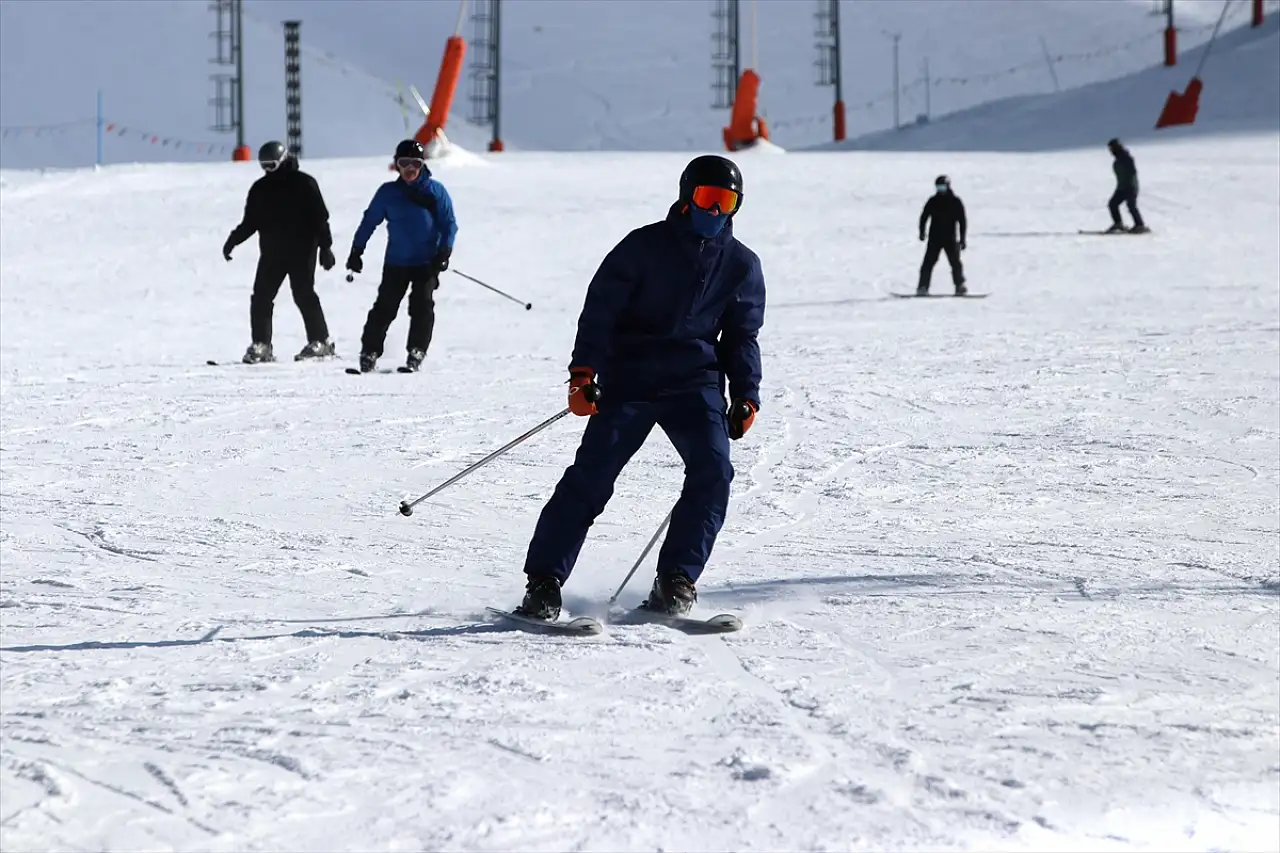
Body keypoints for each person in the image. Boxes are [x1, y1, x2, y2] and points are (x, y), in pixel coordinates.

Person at [513, 154, 766, 622]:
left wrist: (746, 393)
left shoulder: (741, 265)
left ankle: (676, 579)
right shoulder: (641, 247)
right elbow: (600, 314)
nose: (714, 212)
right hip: (630, 377)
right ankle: (544, 583)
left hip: (694, 383)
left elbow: (741, 336)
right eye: (706, 199)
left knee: (714, 472)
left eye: (726, 202)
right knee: (592, 477)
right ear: (686, 198)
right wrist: (583, 375)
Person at [346, 139, 458, 373]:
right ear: (396, 165)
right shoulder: (388, 193)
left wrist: (444, 251)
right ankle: (370, 352)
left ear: (422, 165)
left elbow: (449, 225)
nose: (409, 169)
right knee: (385, 307)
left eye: (414, 163)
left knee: (421, 306)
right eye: (403, 163)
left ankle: (416, 351)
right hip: (396, 262)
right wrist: (357, 251)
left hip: (427, 263)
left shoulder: (436, 191)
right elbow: (369, 221)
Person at [223, 140, 337, 363]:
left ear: (283, 161)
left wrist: (326, 248)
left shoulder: (304, 184)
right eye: (264, 166)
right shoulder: (260, 189)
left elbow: (320, 218)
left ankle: (320, 341)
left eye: (272, 165)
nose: (268, 171)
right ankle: (261, 345)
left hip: (302, 251)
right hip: (272, 253)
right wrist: (233, 241)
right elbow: (250, 222)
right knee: (261, 298)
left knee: (303, 294)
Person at [917, 174, 967, 296]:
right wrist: (922, 232)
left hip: (950, 238)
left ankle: (959, 286)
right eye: (938, 187)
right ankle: (923, 287)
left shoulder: (955, 202)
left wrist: (962, 238)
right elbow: (924, 217)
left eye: (942, 187)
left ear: (948, 186)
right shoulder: (933, 201)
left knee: (955, 263)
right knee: (928, 263)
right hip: (935, 238)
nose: (940, 190)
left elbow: (962, 221)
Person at [1106, 138, 1148, 234]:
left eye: (1111, 148)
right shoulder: (1118, 160)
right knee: (1112, 204)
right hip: (1121, 187)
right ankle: (1118, 224)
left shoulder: (1127, 158)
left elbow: (1132, 173)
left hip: (1130, 187)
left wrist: (1131, 186)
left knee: (1131, 205)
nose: (1110, 151)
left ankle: (1140, 225)